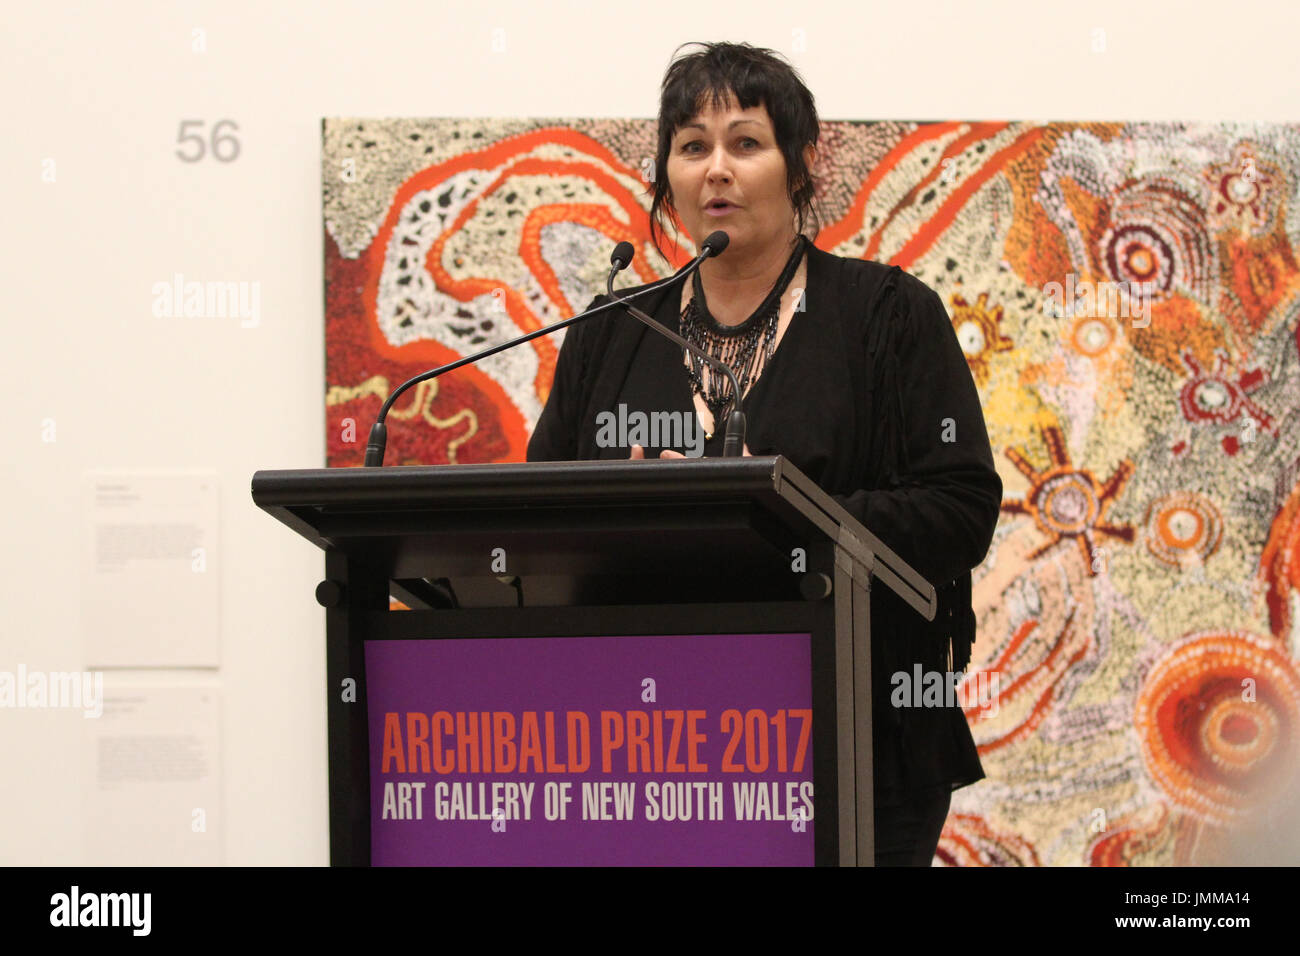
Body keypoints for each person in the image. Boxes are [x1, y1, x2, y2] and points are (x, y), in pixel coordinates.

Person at [526, 41, 1003, 866]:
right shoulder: (610, 335)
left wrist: (767, 515)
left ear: (799, 165)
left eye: (746, 143)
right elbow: (539, 523)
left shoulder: (888, 316)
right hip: (650, 749)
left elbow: (958, 510)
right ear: (665, 175)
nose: (717, 170)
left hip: (859, 739)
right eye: (692, 146)